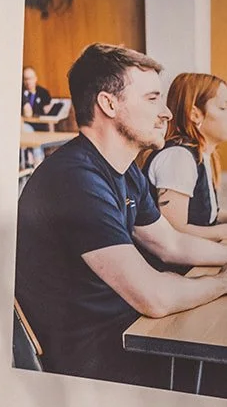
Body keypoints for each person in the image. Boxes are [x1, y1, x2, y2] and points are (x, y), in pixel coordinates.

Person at [15, 43, 227, 387]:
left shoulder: (124, 170)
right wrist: (221, 283)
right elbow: (153, 297)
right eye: (152, 99)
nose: (167, 113)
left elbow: (170, 243)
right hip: (95, 363)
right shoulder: (75, 179)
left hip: (125, 334)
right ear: (108, 104)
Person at [145, 72, 227, 240]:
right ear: (195, 114)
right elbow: (174, 231)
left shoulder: (201, 154)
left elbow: (204, 216)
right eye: (223, 108)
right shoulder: (179, 157)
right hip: (169, 266)